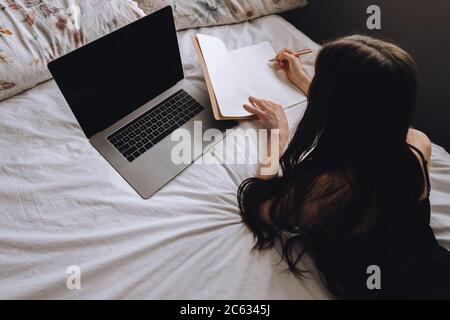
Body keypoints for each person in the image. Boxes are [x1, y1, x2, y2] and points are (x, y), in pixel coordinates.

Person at [238, 35, 450, 299]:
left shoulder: (335, 186)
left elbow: (261, 206)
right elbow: (367, 118)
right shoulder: (418, 144)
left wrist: (278, 135)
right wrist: (304, 80)